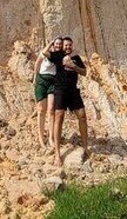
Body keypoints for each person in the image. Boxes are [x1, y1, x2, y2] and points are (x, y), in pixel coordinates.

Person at [42, 36, 88, 167]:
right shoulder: (58, 56)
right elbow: (44, 53)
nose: (68, 47)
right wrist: (52, 42)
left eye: (69, 45)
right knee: (59, 118)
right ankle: (57, 154)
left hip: (73, 91)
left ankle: (85, 148)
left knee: (82, 116)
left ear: (72, 46)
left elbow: (84, 72)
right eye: (65, 45)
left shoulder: (76, 58)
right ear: (62, 46)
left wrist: (73, 66)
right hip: (60, 91)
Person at [33, 36, 62, 147]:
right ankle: (41, 137)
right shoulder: (47, 54)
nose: (58, 45)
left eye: (60, 44)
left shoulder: (60, 56)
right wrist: (51, 43)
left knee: (51, 110)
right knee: (41, 110)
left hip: (53, 82)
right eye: (56, 44)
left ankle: (51, 138)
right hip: (42, 81)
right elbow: (38, 61)